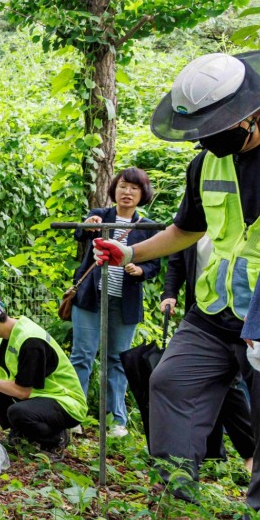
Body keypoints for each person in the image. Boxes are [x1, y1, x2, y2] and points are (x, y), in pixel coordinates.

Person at [93, 51, 260, 520]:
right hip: (213, 310)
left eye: (217, 126)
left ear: (249, 112)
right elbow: (186, 230)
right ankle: (175, 508)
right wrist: (130, 255)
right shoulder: (208, 163)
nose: (209, 139)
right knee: (170, 381)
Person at [68, 167, 161, 438]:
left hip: (125, 300)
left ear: (142, 193)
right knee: (82, 355)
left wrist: (141, 270)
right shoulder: (100, 215)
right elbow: (81, 234)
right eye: (122, 186)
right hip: (90, 298)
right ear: (114, 189)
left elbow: (154, 263)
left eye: (134, 188)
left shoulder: (147, 226)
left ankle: (115, 420)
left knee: (118, 359)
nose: (127, 192)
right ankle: (73, 414)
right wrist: (91, 224)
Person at [0, 290, 87, 457]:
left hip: (65, 402)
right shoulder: (7, 334)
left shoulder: (30, 341)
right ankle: (21, 431)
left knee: (17, 412)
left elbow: (22, 392)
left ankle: (54, 437)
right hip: (42, 396)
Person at [161, 240, 254, 468]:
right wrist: (170, 293)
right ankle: (191, 463)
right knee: (181, 383)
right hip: (203, 316)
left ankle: (250, 454)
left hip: (242, 318)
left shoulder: (239, 227)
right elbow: (177, 262)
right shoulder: (194, 226)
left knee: (232, 388)